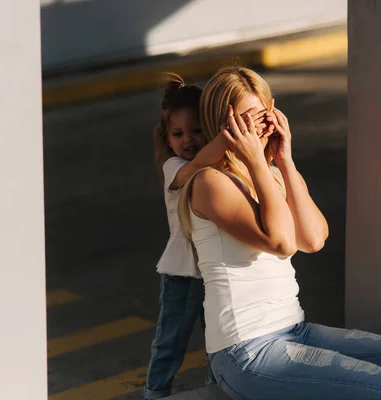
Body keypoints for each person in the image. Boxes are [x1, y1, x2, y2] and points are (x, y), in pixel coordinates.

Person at [177, 66, 381, 400]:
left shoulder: (271, 174)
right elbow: (281, 241)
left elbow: (313, 238)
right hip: (246, 350)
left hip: (294, 330)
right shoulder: (210, 182)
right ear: (223, 125)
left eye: (263, 116)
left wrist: (284, 159)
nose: (258, 129)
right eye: (245, 120)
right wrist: (259, 163)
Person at [144, 73, 267, 399]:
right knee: (172, 338)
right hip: (185, 271)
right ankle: (156, 391)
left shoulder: (217, 165)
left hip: (215, 268)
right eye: (178, 133)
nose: (189, 140)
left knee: (218, 334)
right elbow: (197, 164)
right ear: (166, 138)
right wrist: (230, 137)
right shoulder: (174, 167)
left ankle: (220, 387)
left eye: (197, 131)